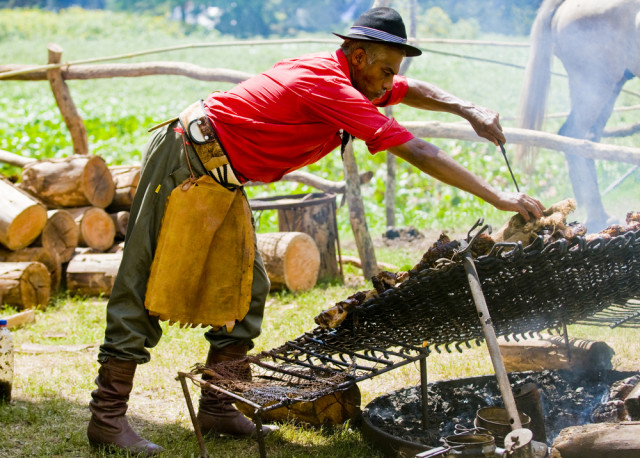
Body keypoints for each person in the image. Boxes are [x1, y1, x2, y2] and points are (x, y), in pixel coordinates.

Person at [86, 6, 545, 455]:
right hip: (186, 159)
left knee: (247, 291)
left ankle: (218, 406)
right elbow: (416, 149)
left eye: (393, 72)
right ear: (359, 56)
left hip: (222, 175)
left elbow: (408, 90)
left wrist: (466, 108)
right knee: (142, 283)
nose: (388, 83)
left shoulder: (359, 76)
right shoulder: (327, 83)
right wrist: (501, 199)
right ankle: (107, 419)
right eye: (384, 70)